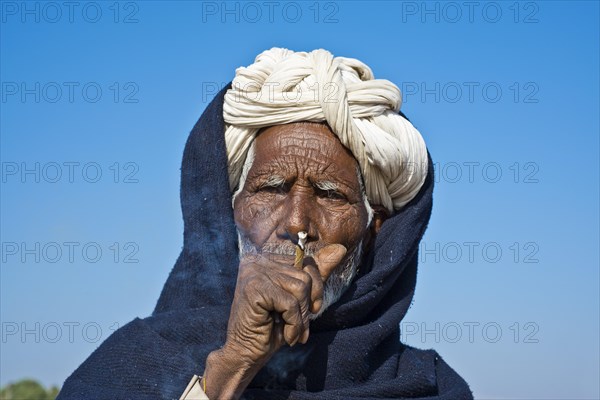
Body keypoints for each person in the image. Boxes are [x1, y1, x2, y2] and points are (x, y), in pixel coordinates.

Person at [57, 48, 473, 400]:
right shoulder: (134, 367)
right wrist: (233, 363)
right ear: (228, 210)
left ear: (374, 229)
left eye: (331, 195)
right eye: (271, 189)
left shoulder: (429, 387)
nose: (297, 223)